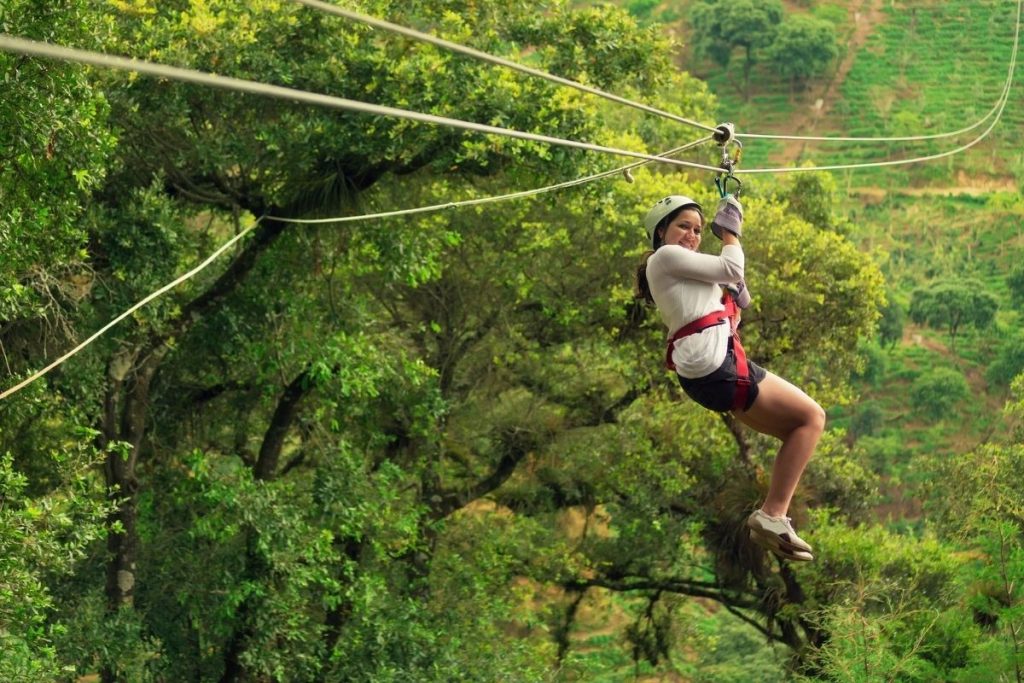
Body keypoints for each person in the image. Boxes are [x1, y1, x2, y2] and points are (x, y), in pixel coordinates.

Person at [635, 195, 825, 562]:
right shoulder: (664, 257)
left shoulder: (680, 270)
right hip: (715, 369)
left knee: (798, 431)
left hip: (707, 375)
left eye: (697, 230)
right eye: (683, 226)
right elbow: (731, 266)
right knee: (812, 417)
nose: (692, 235)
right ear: (661, 232)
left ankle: (773, 517)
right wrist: (730, 233)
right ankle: (772, 515)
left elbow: (724, 282)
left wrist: (731, 296)